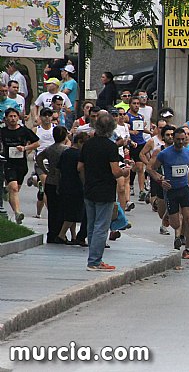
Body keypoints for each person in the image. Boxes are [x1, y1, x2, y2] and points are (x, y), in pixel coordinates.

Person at [78, 113, 131, 271]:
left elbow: (80, 167)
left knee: (92, 225)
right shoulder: (111, 146)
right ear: (111, 129)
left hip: (89, 188)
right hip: (105, 189)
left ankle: (93, 258)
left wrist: (85, 181)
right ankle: (94, 261)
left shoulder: (87, 144)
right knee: (102, 226)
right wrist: (125, 172)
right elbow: (115, 171)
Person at [147, 128, 189, 259]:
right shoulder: (164, 154)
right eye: (178, 139)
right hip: (170, 190)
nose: (180, 142)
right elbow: (151, 169)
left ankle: (187, 249)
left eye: (183, 139)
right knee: (176, 224)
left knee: (188, 219)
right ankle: (167, 215)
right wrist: (160, 180)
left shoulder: (188, 153)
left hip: (184, 189)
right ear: (173, 139)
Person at [1, 108, 39, 225]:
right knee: (14, 188)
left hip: (21, 164)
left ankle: (4, 191)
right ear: (6, 118)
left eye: (15, 116)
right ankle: (18, 213)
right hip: (8, 163)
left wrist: (25, 148)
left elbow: (37, 142)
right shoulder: (2, 131)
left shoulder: (24, 131)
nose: (13, 119)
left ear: (18, 118)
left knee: (15, 189)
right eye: (10, 116)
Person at [36, 126, 69, 244]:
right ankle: (60, 234)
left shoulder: (49, 149)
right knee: (62, 209)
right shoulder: (66, 150)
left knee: (52, 209)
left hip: (50, 180)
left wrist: (45, 170)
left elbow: (39, 158)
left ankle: (52, 233)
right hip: (62, 181)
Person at [57, 132, 89, 245]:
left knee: (70, 210)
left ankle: (74, 235)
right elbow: (80, 170)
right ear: (80, 142)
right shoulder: (80, 155)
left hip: (65, 184)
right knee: (74, 213)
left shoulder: (66, 152)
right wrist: (85, 183)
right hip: (76, 186)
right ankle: (62, 234)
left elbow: (59, 168)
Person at [126, 96, 148, 201]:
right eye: (134, 103)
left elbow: (141, 130)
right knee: (135, 166)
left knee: (140, 167)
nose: (136, 105)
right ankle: (130, 184)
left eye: (138, 103)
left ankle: (141, 190)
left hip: (141, 143)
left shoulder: (141, 117)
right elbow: (123, 128)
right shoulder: (127, 116)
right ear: (130, 104)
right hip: (131, 144)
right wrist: (131, 132)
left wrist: (151, 132)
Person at [113, 107, 133, 211]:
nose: (118, 117)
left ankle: (122, 212)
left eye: (120, 114)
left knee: (122, 185)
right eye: (115, 115)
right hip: (110, 159)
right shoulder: (110, 130)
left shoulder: (125, 126)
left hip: (120, 158)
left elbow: (126, 141)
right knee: (118, 186)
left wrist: (126, 149)